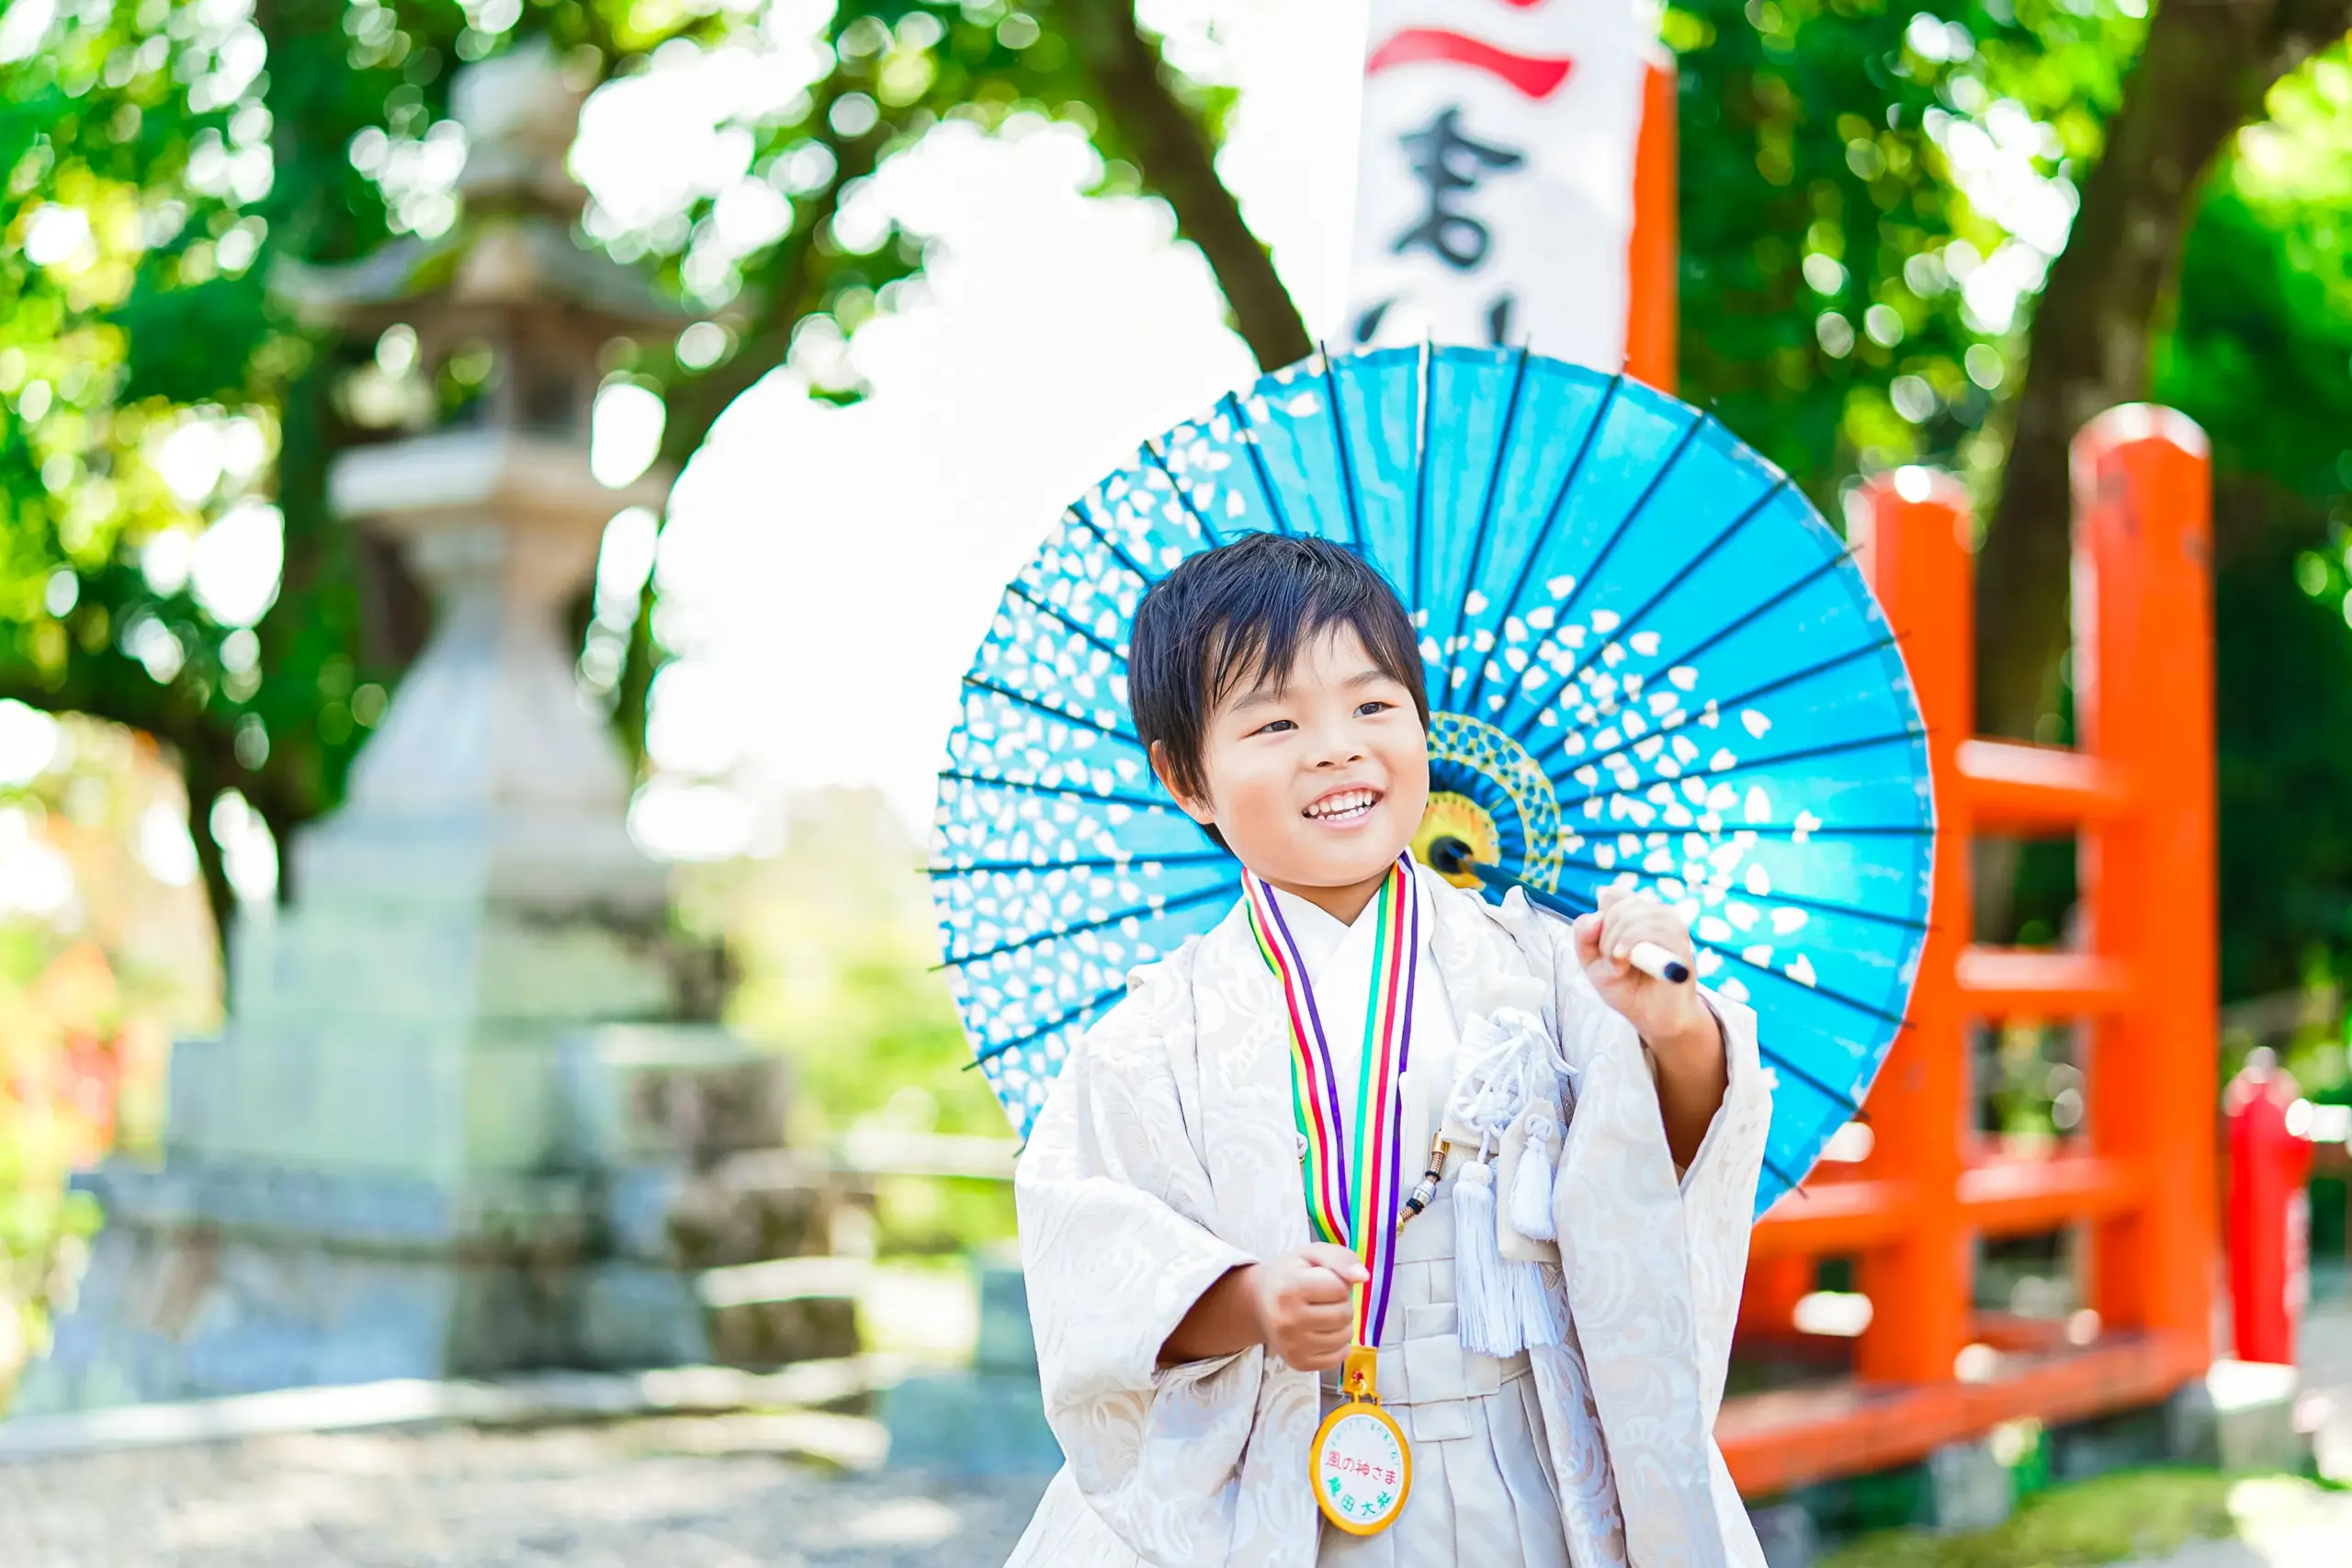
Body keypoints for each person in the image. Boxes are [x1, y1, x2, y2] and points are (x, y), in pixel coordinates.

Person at [1004, 533, 1772, 1568]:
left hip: (1525, 1462)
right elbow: (1094, 1267)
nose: (1336, 747)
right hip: (1285, 1471)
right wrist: (1248, 1301)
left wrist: (1671, 1027)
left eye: (1373, 706)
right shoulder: (1151, 1037)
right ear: (1187, 777)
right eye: (1275, 721)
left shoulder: (1540, 964)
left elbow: (1657, 1167)